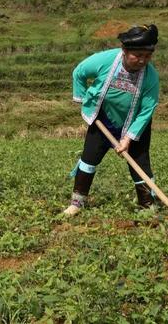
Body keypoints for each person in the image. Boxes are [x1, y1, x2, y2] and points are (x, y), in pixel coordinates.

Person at [64, 24, 160, 216]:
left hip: (134, 125)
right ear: (124, 51)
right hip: (103, 120)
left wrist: (128, 139)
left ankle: (147, 206)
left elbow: (147, 109)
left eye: (147, 56)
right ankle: (77, 203)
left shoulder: (151, 77)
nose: (142, 60)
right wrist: (82, 99)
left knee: (140, 164)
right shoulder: (106, 60)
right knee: (89, 158)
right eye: (137, 55)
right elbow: (79, 73)